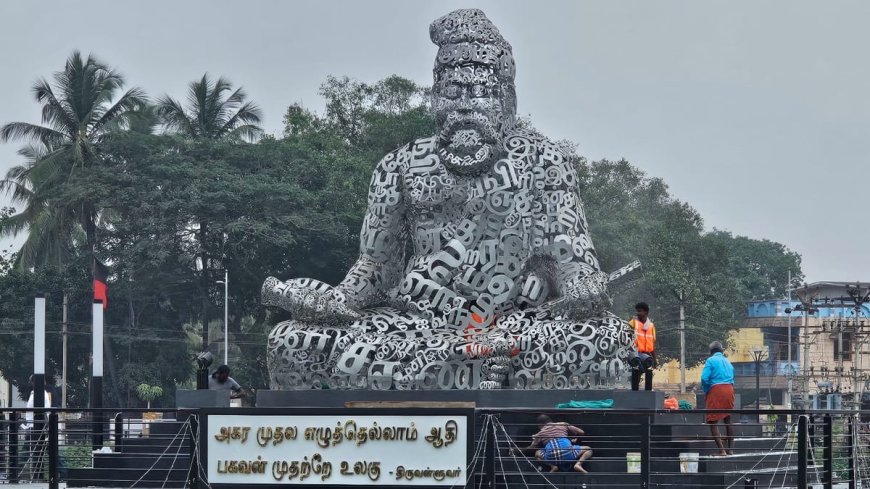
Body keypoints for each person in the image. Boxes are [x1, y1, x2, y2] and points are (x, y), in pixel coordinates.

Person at [262, 8, 637, 391]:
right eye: (452, 93)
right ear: (435, 96)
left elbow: (574, 262)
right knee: (292, 342)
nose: (465, 107)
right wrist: (336, 300)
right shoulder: (400, 165)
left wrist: (584, 286)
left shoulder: (546, 162)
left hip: (517, 322)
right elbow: (376, 268)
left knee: (603, 341)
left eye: (480, 93)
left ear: (507, 100)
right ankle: (473, 367)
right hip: (414, 323)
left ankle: (460, 367)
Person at [513, 415, 592, 473]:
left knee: (537, 453)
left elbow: (531, 448)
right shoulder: (562, 424)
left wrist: (516, 450)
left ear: (540, 425)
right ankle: (578, 464)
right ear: (550, 420)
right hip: (568, 453)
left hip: (552, 457)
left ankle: (553, 466)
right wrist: (574, 438)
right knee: (588, 449)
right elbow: (581, 432)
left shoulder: (540, 433)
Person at [702, 341, 735, 456]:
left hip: (716, 389)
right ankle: (730, 450)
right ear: (721, 351)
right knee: (728, 419)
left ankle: (722, 451)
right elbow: (732, 378)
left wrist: (707, 390)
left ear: (711, 352)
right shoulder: (728, 362)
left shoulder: (710, 360)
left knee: (713, 421)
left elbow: (704, 378)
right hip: (730, 389)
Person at [630, 302, 656, 391]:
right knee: (636, 367)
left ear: (646, 312)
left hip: (647, 354)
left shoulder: (651, 326)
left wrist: (655, 360)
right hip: (636, 353)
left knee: (649, 366)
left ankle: (648, 391)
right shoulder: (633, 323)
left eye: (640, 311)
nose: (638, 313)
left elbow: (652, 345)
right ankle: (634, 391)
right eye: (637, 311)